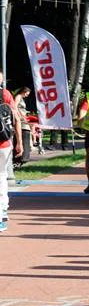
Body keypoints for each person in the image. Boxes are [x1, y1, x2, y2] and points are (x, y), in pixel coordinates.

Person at [0, 77, 22, 230]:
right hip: (4, 143)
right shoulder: (6, 94)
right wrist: (20, 142)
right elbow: (16, 119)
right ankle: (2, 212)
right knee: (1, 177)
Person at [13, 87, 32, 163]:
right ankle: (20, 157)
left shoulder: (21, 98)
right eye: (27, 94)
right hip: (21, 119)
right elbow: (15, 106)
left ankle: (24, 156)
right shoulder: (18, 97)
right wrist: (20, 115)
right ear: (24, 91)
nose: (27, 95)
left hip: (23, 118)